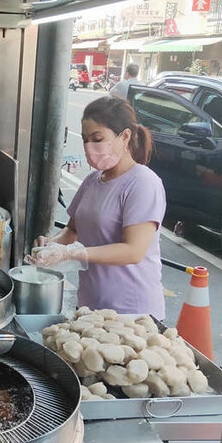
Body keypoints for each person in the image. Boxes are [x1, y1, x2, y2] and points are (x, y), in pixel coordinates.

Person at [31, 96, 166, 318]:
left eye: (97, 138)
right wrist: (51, 245)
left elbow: (133, 251)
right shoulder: (93, 181)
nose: (89, 147)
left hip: (131, 312)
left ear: (124, 136)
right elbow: (73, 230)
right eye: (85, 140)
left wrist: (72, 254)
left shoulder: (143, 183)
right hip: (90, 306)